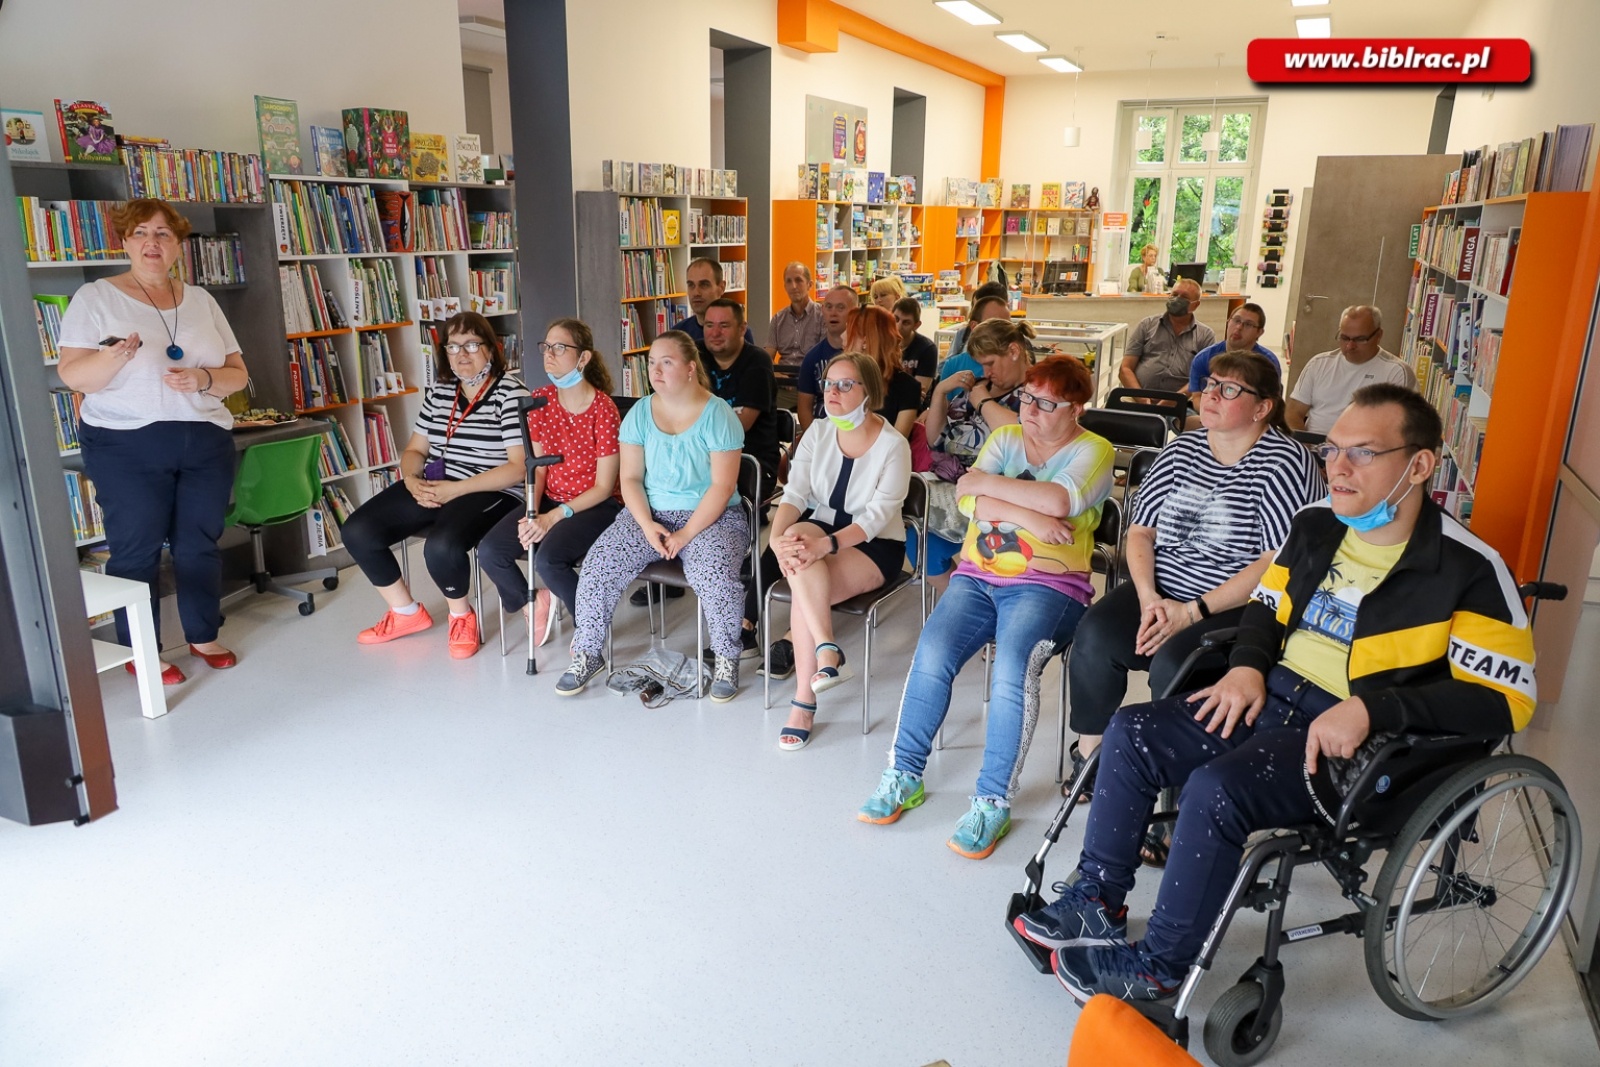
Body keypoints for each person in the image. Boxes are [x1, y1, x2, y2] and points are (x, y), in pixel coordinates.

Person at [1018, 384, 1538, 1007]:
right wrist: (1245, 666)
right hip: (1273, 694)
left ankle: (1160, 969)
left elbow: (1507, 700)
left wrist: (1378, 708)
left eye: (1364, 453)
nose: (1338, 469)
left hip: (1361, 744)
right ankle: (1097, 898)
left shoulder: (1470, 568)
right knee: (1132, 733)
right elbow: (1268, 607)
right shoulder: (1317, 525)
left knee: (1215, 790)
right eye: (1333, 451)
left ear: (1420, 464)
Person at [858, 356, 1116, 859]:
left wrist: (1009, 500)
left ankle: (992, 801)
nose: (1031, 411)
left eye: (1047, 403)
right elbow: (965, 496)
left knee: (1012, 671)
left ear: (1076, 409)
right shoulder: (1004, 440)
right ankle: (903, 774)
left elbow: (1060, 502)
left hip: (1050, 586)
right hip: (977, 577)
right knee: (931, 653)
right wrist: (1030, 516)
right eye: (1026, 398)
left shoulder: (1095, 450)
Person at [1067, 352, 1325, 794]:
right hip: (1164, 589)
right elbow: (1141, 532)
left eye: (1230, 389)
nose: (1211, 395)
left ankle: (1171, 781)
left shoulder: (1284, 463)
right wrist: (1149, 598)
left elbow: (1274, 563)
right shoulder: (1181, 449)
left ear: (1262, 407)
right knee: (1095, 634)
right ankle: (1091, 756)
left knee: (1175, 662)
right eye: (1210, 384)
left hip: (1239, 605)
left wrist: (1191, 612)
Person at [56, 198, 251, 684]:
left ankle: (203, 634)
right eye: (141, 233)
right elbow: (75, 376)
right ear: (125, 242)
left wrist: (204, 379)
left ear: (179, 246)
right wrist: (116, 358)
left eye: (164, 234)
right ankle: (140, 650)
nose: (152, 243)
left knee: (198, 544)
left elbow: (238, 375)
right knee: (136, 548)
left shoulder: (202, 299)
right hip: (125, 444)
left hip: (203, 438)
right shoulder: (95, 298)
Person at [556, 331, 749, 703]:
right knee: (600, 564)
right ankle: (587, 653)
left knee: (712, 573)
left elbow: (722, 488)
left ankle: (726, 656)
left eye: (666, 362)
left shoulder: (719, 415)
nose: (655, 370)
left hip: (712, 516)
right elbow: (628, 479)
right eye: (651, 363)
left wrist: (685, 534)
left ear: (691, 369)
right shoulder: (641, 413)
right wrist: (646, 526)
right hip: (648, 512)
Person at [341, 313, 527, 658]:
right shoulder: (441, 392)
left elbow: (518, 468)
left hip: (493, 489)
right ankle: (405, 613)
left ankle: (461, 616)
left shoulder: (511, 393)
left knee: (441, 546)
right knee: (358, 530)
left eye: (472, 344)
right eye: (453, 346)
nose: (462, 354)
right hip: (439, 482)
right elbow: (415, 450)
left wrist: (455, 490)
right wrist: (411, 480)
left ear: (492, 349)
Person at [763, 352, 912, 750]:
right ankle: (827, 650)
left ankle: (804, 701)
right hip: (822, 524)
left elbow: (878, 517)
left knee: (803, 574)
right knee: (797, 545)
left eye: (846, 385)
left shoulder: (894, 446)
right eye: (829, 383)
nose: (833, 392)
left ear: (869, 392)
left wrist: (823, 545)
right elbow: (795, 493)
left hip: (875, 543)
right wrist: (777, 539)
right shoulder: (818, 432)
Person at [476, 318, 622, 647]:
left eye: (560, 347)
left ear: (583, 358)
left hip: (595, 505)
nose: (549, 354)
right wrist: (531, 513)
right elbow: (538, 468)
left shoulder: (604, 410)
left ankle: (590, 630)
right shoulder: (540, 400)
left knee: (548, 561)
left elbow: (603, 487)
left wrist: (552, 517)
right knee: (490, 552)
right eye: (546, 346)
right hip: (550, 499)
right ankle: (533, 602)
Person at [918, 317, 1036, 577]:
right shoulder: (980, 387)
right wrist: (939, 393)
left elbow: (1023, 436)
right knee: (919, 542)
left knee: (980, 555)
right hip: (949, 488)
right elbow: (935, 439)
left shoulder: (1037, 392)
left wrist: (984, 402)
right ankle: (957, 605)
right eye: (982, 365)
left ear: (1014, 351)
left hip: (1001, 498)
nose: (986, 372)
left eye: (990, 363)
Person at [1288, 306, 1417, 435]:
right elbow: (1293, 413)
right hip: (1313, 447)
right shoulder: (1318, 364)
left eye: (1360, 339)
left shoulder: (1397, 372)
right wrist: (1303, 446)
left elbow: (1399, 429)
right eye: (1344, 338)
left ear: (1378, 335)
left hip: (1363, 451)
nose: (1350, 346)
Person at [700, 297, 779, 490]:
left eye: (724, 325)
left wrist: (693, 421)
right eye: (709, 325)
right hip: (701, 457)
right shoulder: (695, 354)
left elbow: (739, 426)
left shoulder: (758, 361)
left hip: (749, 462)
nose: (715, 333)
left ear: (742, 329)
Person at [1118, 278, 1214, 395]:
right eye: (1174, 294)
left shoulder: (1205, 335)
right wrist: (1141, 398)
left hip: (1182, 401)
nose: (1177, 299)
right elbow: (1125, 369)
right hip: (1137, 396)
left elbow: (1202, 377)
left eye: (1184, 297)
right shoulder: (1147, 325)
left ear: (1195, 305)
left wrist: (1174, 400)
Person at [845, 304, 920, 436]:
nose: (842, 337)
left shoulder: (908, 387)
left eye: (848, 331)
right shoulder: (842, 378)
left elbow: (897, 443)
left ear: (865, 341)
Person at [796, 285, 856, 432]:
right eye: (828, 307)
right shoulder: (812, 357)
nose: (833, 313)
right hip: (821, 432)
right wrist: (815, 441)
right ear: (822, 310)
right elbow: (804, 409)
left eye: (840, 308)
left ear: (854, 312)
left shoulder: (863, 358)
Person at [1187, 302, 1279, 393]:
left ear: (1259, 332)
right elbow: (1197, 397)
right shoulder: (1204, 357)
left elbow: (1270, 401)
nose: (1239, 327)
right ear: (1228, 322)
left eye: (1248, 324)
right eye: (1236, 320)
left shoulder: (1268, 363)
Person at [671, 256, 753, 347]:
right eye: (691, 285)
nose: (696, 293)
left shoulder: (738, 332)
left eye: (704, 285)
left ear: (721, 287)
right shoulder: (677, 334)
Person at [765, 261, 827, 375]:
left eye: (798, 280)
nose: (793, 286)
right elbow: (767, 357)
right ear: (785, 286)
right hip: (782, 380)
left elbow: (823, 358)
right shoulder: (778, 319)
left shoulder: (822, 316)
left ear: (810, 284)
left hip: (810, 380)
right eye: (789, 281)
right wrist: (778, 375)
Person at [939, 290, 1010, 383]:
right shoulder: (953, 365)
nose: (1004, 331)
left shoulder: (1015, 364)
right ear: (974, 326)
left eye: (1008, 325)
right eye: (995, 324)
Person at [945, 280, 1008, 361]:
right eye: (974, 307)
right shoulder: (964, 334)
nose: (974, 313)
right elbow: (945, 366)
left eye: (979, 307)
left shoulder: (1017, 342)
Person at [892, 296, 938, 400]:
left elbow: (920, 392)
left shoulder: (927, 348)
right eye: (896, 319)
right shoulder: (881, 342)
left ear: (916, 325)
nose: (898, 326)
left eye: (906, 322)